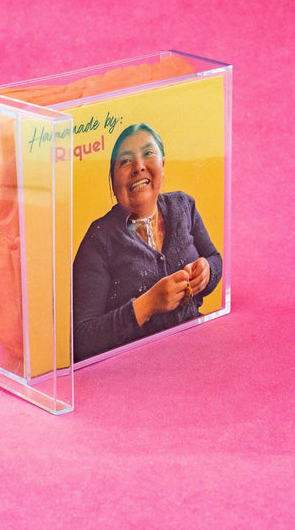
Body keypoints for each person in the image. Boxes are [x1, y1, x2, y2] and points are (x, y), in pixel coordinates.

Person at [73, 123, 222, 361]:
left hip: (197, 353)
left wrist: (207, 272)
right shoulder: (99, 239)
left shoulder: (184, 206)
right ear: (113, 180)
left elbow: (214, 258)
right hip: (133, 367)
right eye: (125, 161)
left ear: (162, 164)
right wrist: (147, 305)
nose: (138, 166)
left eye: (148, 153)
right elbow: (81, 339)